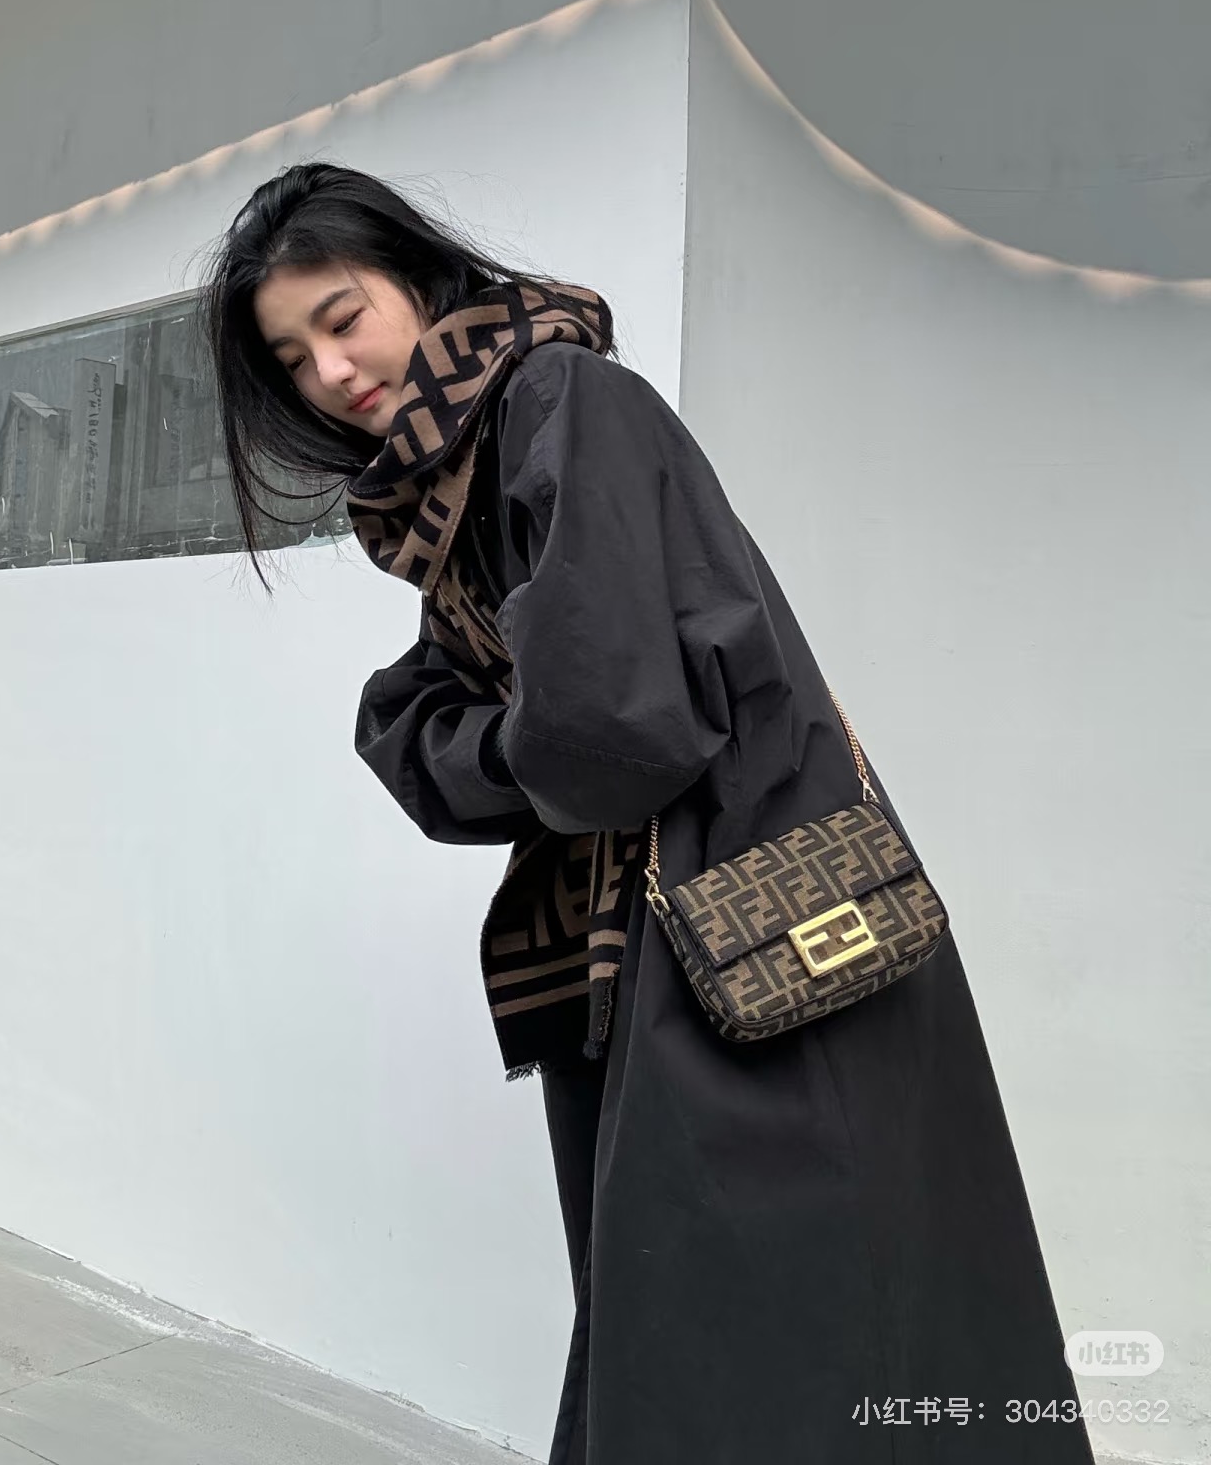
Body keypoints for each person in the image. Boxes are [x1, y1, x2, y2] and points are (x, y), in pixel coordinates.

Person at [199, 161, 1095, 1465]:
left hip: (749, 918)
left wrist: (486, 740)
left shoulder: (558, 398)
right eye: (292, 359)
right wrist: (504, 734)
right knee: (762, 1331)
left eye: (343, 320)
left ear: (421, 281)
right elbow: (453, 721)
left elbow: (609, 732)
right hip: (684, 925)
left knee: (766, 1342)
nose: (330, 374)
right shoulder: (465, 478)